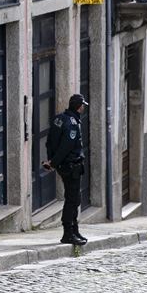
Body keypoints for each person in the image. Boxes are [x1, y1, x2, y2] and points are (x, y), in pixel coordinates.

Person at [44, 94, 89, 246]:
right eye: (82, 105)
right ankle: (68, 233)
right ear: (78, 106)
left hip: (64, 166)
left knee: (74, 198)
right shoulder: (72, 124)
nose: (83, 107)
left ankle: (74, 230)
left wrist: (51, 160)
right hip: (71, 166)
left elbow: (49, 142)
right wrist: (53, 162)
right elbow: (66, 147)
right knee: (72, 200)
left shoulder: (59, 119)